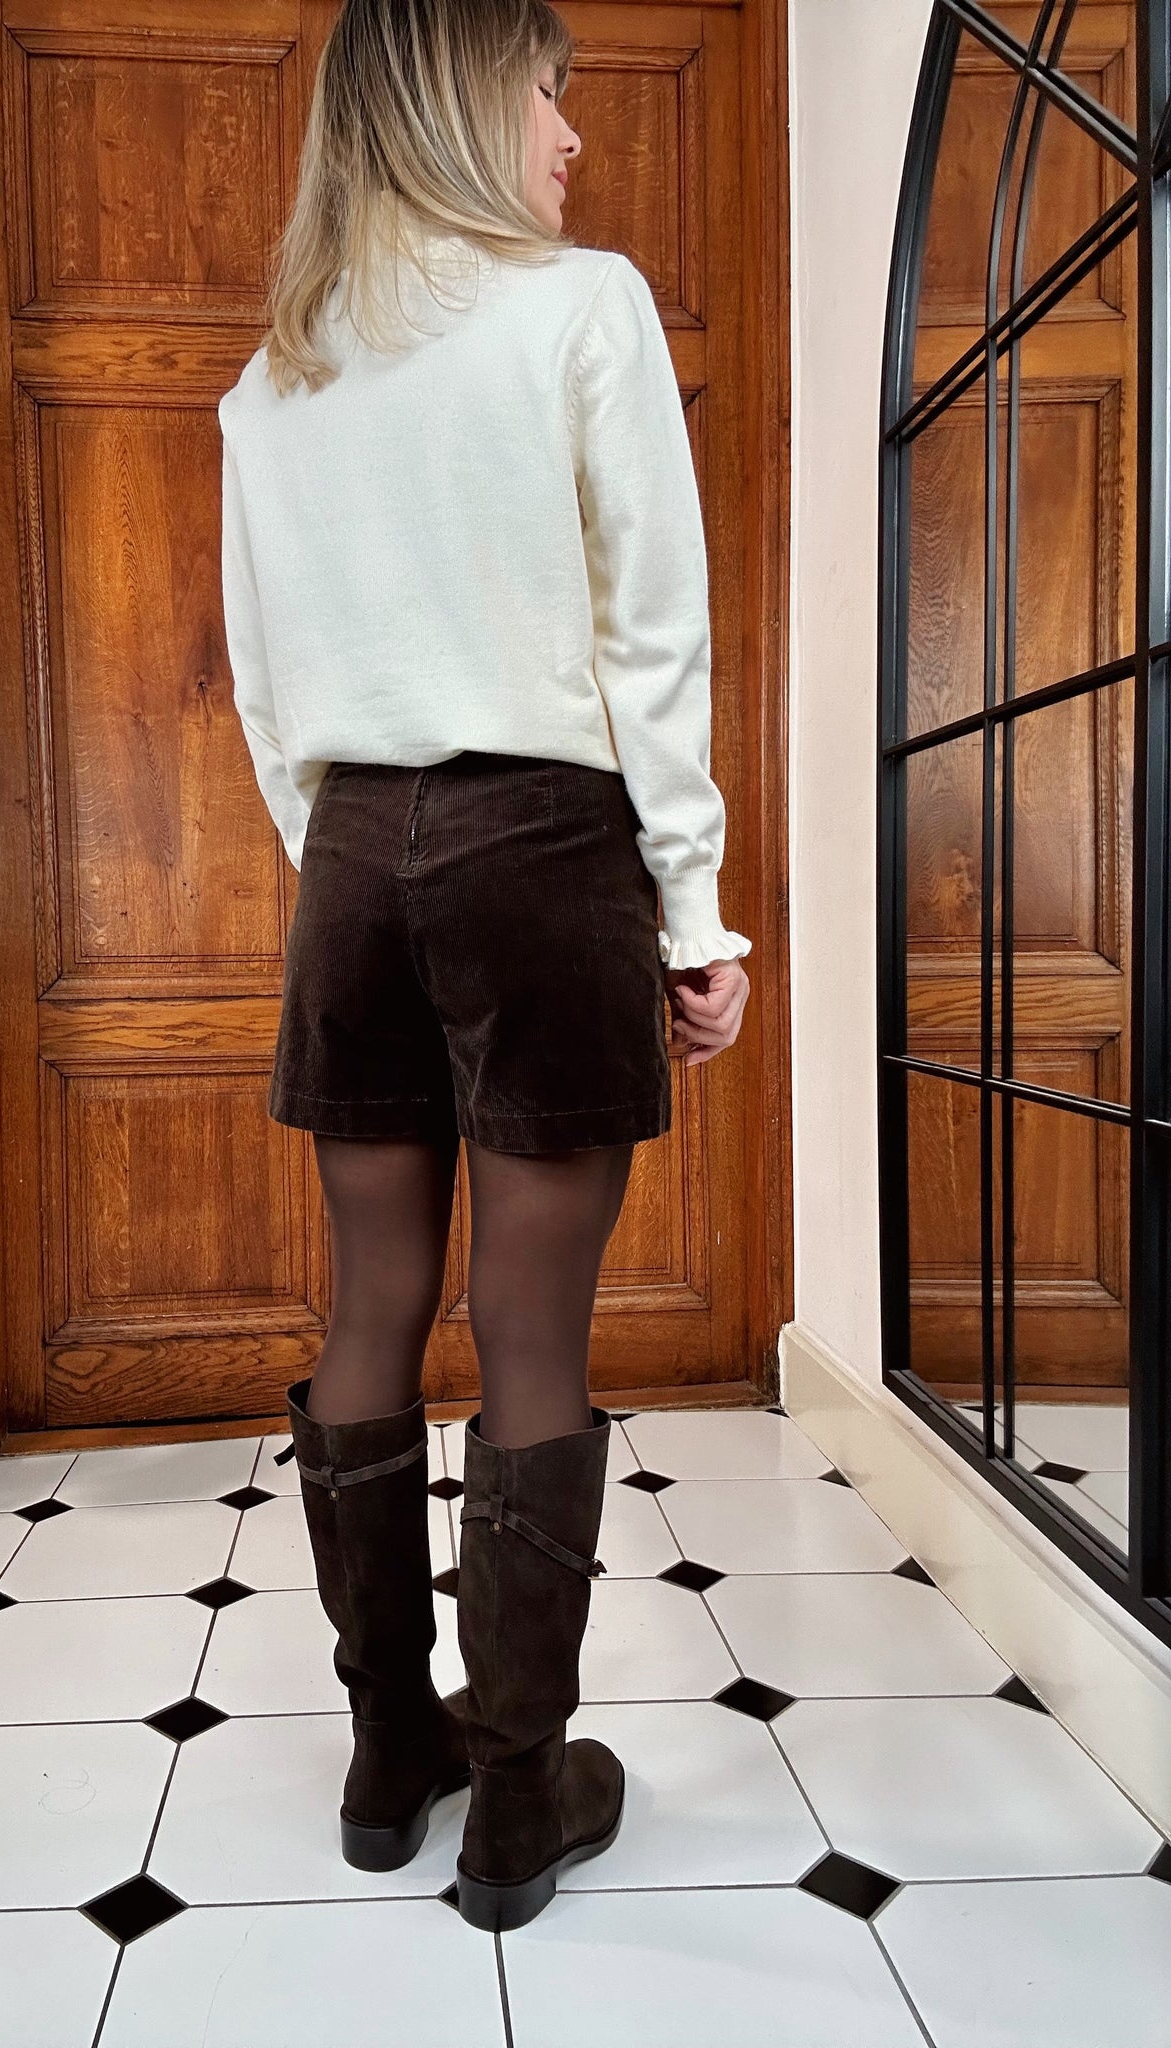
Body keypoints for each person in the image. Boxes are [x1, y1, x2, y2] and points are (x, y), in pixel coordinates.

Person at [217, 0, 751, 1933]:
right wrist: (692, 911)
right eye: (546, 92)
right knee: (531, 1329)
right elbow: (651, 636)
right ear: (464, 98)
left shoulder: (275, 380)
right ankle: (518, 1797)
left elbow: (268, 688)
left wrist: (355, 870)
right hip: (544, 842)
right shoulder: (582, 309)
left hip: (354, 852)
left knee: (370, 1297)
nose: (568, 136)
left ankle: (390, 1757)